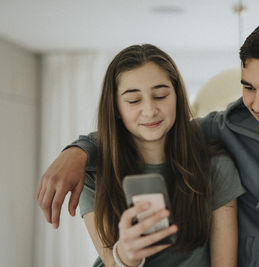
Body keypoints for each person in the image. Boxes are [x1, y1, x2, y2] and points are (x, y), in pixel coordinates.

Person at [36, 17, 259, 267]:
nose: (257, 104)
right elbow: (153, 131)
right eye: (248, 87)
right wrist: (78, 150)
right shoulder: (229, 128)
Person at [38, 44, 245, 267]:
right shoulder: (96, 172)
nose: (149, 109)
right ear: (116, 107)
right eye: (134, 100)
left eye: (160, 95)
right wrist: (126, 255)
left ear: (177, 95)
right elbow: (111, 262)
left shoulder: (216, 166)